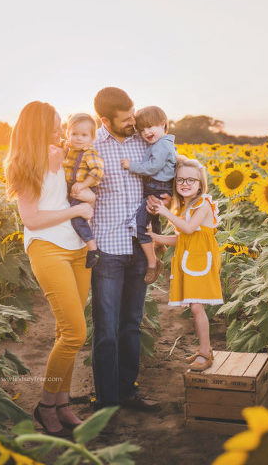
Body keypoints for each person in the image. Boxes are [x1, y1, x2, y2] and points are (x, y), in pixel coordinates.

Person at [3, 101, 94, 437]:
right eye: (55, 125)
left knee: (65, 332)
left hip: (78, 248)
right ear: (39, 128)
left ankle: (62, 403)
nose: (60, 131)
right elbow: (32, 219)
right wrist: (76, 212)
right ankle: (45, 404)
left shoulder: (67, 154)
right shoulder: (24, 165)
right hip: (47, 248)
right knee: (75, 333)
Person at [89, 87, 165, 411]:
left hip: (139, 245)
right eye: (126, 118)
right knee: (106, 329)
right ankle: (106, 402)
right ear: (105, 120)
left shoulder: (144, 142)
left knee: (132, 324)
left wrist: (163, 199)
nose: (134, 121)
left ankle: (128, 391)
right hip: (106, 249)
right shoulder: (90, 148)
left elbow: (167, 174)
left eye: (133, 114)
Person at [148, 156, 223, 371]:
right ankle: (203, 350)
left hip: (202, 262)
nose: (185, 184)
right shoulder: (185, 207)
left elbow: (189, 230)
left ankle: (206, 352)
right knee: (194, 306)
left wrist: (163, 212)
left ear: (201, 184)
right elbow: (181, 239)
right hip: (191, 260)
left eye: (191, 180)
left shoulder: (204, 203)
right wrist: (155, 237)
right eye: (180, 180)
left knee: (198, 307)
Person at [120, 106, 176, 284]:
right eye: (142, 129)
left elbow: (153, 167)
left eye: (150, 126)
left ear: (162, 124)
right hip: (155, 188)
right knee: (154, 219)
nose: (146, 132)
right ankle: (159, 245)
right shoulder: (162, 143)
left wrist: (131, 166)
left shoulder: (162, 145)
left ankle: (153, 263)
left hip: (157, 189)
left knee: (140, 224)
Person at [62, 113, 105, 268]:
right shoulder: (68, 149)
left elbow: (97, 172)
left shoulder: (90, 153)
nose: (78, 138)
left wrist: (84, 184)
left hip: (84, 187)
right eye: (74, 134)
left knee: (77, 218)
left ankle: (93, 249)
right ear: (68, 134)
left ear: (92, 138)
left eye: (84, 135)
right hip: (71, 188)